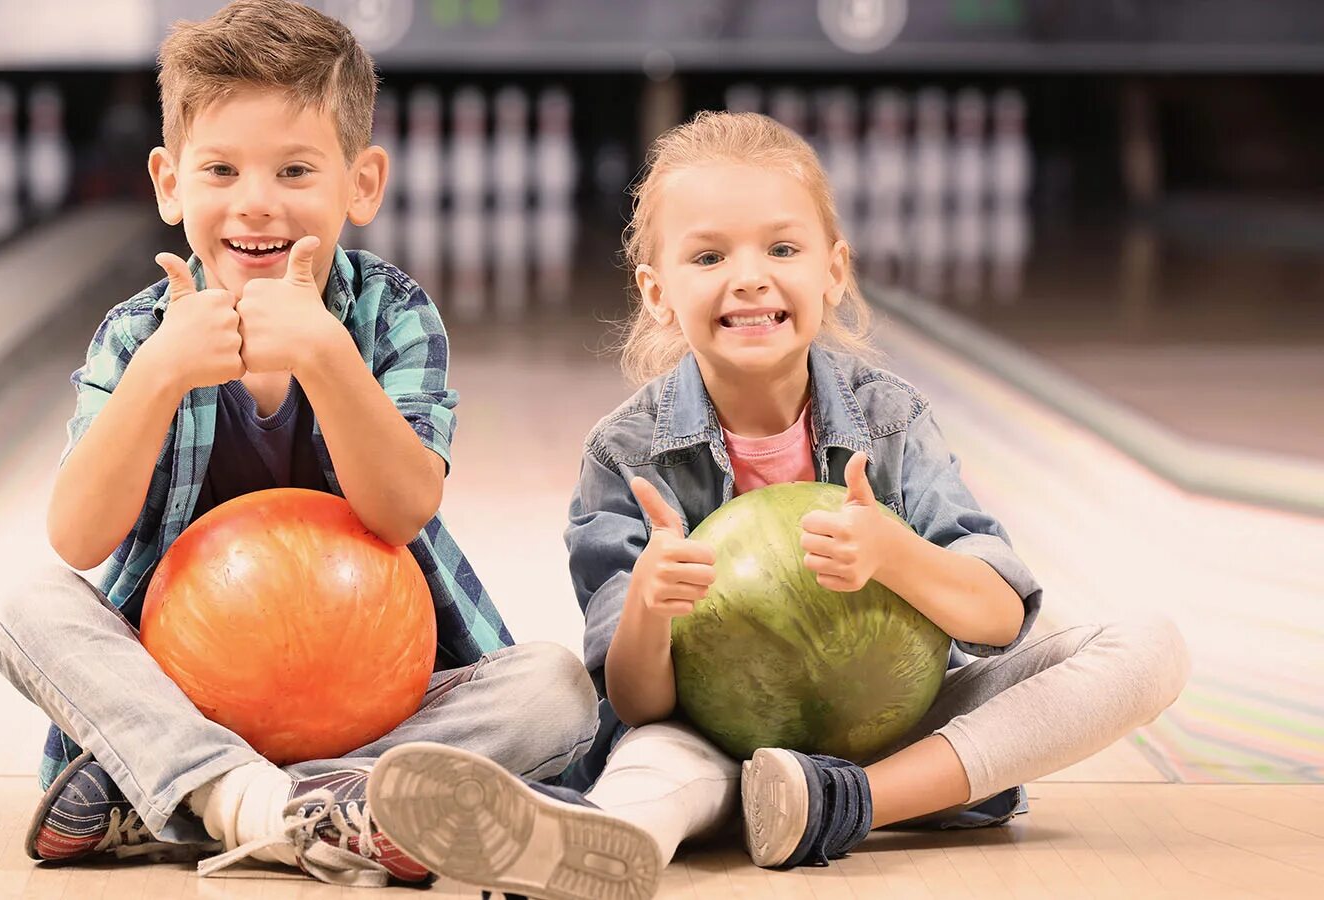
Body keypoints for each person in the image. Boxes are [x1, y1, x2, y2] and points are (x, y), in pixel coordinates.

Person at [365, 111, 1190, 900]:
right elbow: (639, 700)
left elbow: (998, 619)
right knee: (654, 766)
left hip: (899, 732)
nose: (750, 276)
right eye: (709, 257)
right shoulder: (625, 455)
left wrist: (895, 554)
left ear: (833, 271)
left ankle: (849, 802)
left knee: (1148, 647)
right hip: (714, 741)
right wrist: (650, 606)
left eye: (782, 247)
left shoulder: (890, 420)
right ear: (657, 292)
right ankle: (597, 843)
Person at [0, 0, 597, 887]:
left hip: (376, 712)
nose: (257, 201)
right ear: (169, 183)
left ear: (362, 182)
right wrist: (159, 375)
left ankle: (214, 803)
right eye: (222, 169)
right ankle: (304, 807)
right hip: (182, 697)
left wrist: (323, 352)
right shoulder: (136, 336)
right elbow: (80, 539)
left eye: (296, 169)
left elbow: (402, 507)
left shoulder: (394, 317)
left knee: (557, 689)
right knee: (26, 606)